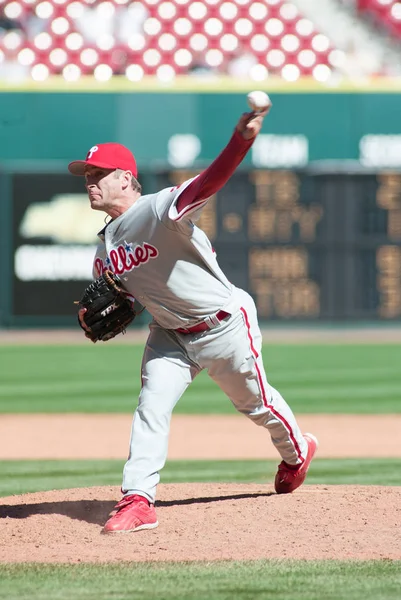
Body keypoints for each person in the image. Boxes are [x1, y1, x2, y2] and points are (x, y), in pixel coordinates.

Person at [68, 100, 318, 534]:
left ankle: (298, 453)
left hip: (223, 325)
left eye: (98, 174)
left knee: (255, 405)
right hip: (170, 335)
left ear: (126, 179)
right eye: (87, 175)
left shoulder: (160, 209)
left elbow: (211, 180)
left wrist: (241, 141)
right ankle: (138, 499)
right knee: (151, 406)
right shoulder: (104, 246)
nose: (90, 182)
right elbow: (123, 298)